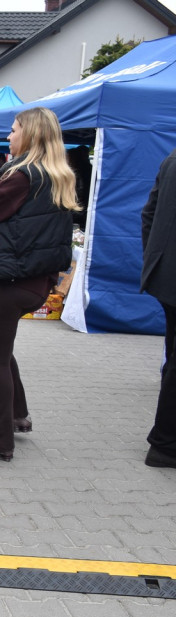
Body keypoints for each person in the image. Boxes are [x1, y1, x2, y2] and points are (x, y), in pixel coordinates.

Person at [0, 107, 78, 462]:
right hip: (38, 279)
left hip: (9, 277)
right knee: (1, 348)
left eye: (13, 131)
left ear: (30, 135)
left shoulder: (23, 175)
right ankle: (17, 416)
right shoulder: (59, 175)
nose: (9, 136)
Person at [140, 148, 176, 469]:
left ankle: (165, 440)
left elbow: (148, 215)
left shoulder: (170, 159)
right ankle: (164, 442)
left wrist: (156, 261)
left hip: (166, 277)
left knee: (172, 355)